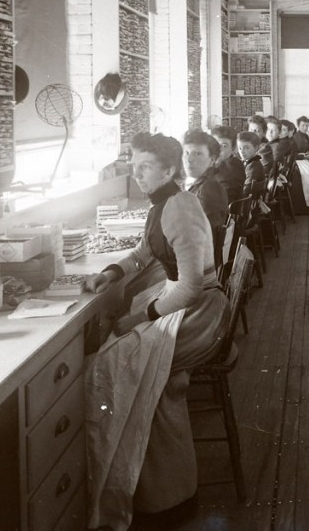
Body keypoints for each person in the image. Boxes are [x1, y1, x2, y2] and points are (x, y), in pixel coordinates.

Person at [84, 132, 230, 530]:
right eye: (133, 166)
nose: (137, 174)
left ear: (169, 169)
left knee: (119, 365)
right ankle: (149, 490)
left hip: (200, 313)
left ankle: (166, 498)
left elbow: (190, 285)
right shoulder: (164, 203)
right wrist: (113, 271)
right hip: (184, 304)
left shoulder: (179, 208)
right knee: (127, 364)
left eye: (145, 167)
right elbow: (146, 250)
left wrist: (140, 318)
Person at [181, 130, 228, 231]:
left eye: (197, 154)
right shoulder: (200, 183)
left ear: (212, 160)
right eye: (186, 153)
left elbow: (205, 235)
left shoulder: (209, 188)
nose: (189, 159)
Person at [210, 125, 245, 204]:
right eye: (215, 145)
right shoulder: (222, 165)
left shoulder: (232, 168)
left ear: (233, 149)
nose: (218, 150)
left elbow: (223, 201)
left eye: (224, 146)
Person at [236, 131, 266, 195]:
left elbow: (246, 190)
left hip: (245, 203)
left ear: (256, 148)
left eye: (246, 148)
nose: (242, 151)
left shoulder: (253, 167)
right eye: (240, 148)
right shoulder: (252, 162)